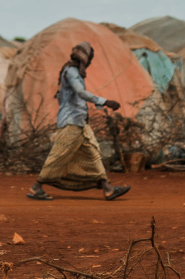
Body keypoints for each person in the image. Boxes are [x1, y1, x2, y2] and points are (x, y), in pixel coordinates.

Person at [26, 41, 130, 201]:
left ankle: (107, 188)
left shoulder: (73, 72)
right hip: (71, 123)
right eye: (90, 59)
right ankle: (36, 187)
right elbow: (80, 92)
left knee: (93, 153)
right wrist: (105, 101)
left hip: (80, 123)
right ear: (84, 58)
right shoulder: (71, 72)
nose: (89, 63)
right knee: (59, 155)